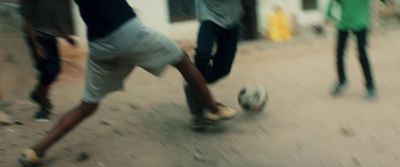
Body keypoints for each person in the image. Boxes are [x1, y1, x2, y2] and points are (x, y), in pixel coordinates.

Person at [18, 0, 238, 166]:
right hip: (129, 33)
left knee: (88, 105)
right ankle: (213, 109)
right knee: (181, 59)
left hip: (100, 46)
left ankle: (35, 151)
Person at [185, 0, 242, 130]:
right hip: (209, 16)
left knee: (223, 69)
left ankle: (194, 83)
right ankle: (199, 115)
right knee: (202, 55)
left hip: (232, 20)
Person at [20, 0, 76, 122]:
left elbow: (54, 19)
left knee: (56, 70)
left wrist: (66, 37)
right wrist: (37, 46)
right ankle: (43, 108)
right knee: (49, 71)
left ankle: (38, 94)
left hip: (51, 38)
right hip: (37, 38)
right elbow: (27, 21)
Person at [326, 0, 377, 100]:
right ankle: (342, 81)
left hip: (361, 23)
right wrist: (328, 15)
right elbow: (333, 2)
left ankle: (370, 86)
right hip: (344, 23)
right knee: (339, 53)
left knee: (362, 54)